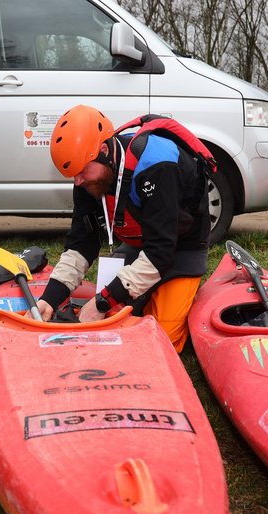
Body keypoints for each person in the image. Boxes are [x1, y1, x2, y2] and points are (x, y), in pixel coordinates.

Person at [35, 104, 213, 352]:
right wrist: (49, 299)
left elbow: (161, 253)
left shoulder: (157, 165)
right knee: (112, 321)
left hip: (181, 247)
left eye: (82, 172)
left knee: (162, 342)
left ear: (105, 150)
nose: (78, 181)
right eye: (73, 175)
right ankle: (145, 297)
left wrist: (101, 303)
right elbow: (81, 243)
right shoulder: (87, 173)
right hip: (141, 243)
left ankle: (183, 299)